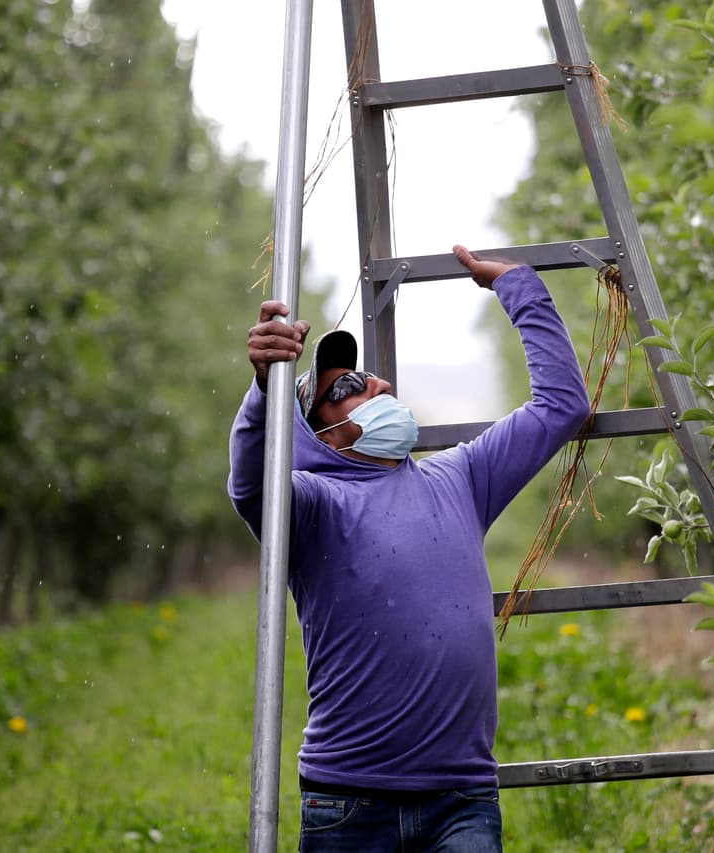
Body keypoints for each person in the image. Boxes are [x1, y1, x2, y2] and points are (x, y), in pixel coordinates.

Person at [228, 245, 590, 852]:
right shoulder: (313, 506)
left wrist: (519, 289)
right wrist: (265, 390)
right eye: (349, 385)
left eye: (368, 376)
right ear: (317, 433)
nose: (380, 382)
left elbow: (562, 407)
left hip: (462, 800)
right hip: (348, 801)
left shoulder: (461, 478)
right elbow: (251, 486)